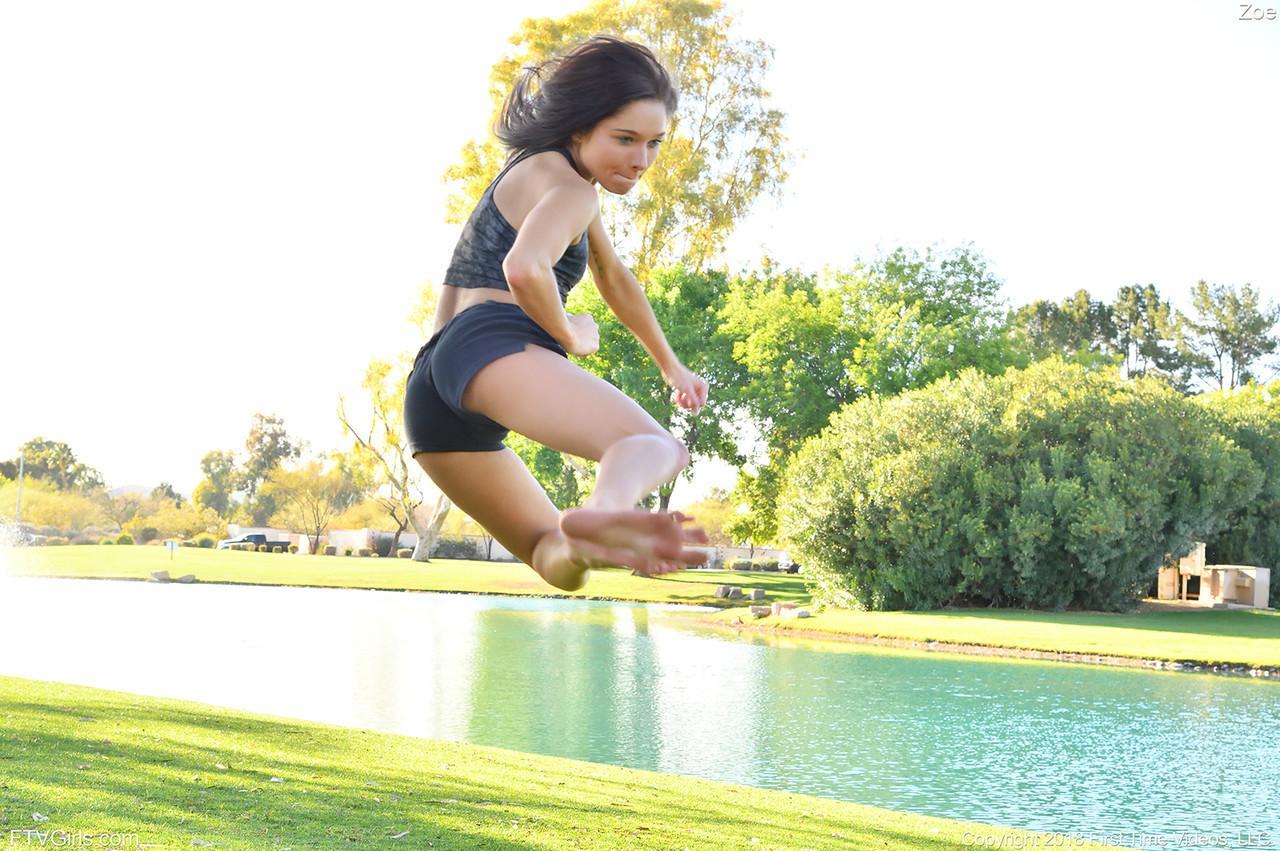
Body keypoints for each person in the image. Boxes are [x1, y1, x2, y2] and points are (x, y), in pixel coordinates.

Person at [403, 35, 711, 592]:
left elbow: (613, 277)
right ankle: (604, 514)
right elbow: (524, 269)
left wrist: (670, 365)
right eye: (624, 139)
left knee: (555, 557)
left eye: (654, 144)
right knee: (656, 446)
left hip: (430, 391)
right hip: (490, 342)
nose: (640, 161)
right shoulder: (575, 192)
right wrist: (569, 332)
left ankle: (588, 537)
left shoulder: (536, 172)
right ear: (579, 128)